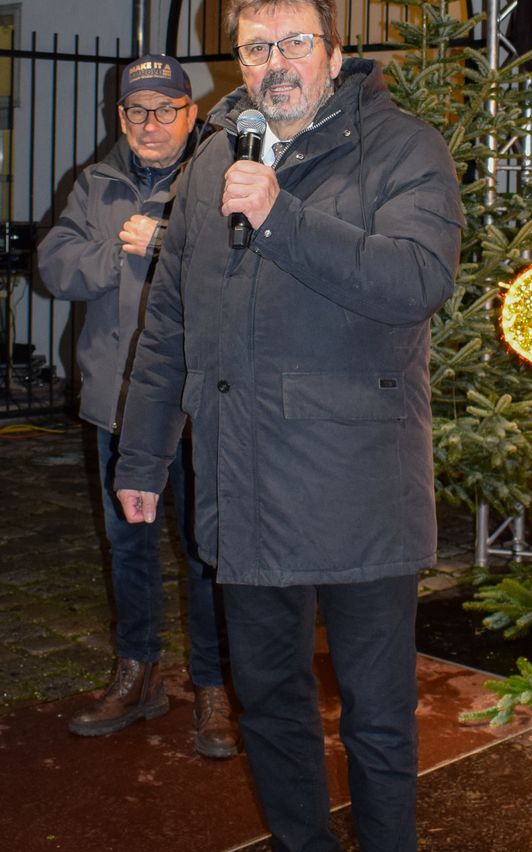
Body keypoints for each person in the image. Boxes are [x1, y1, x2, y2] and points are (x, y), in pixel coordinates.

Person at [112, 0, 463, 848]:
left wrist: (280, 216)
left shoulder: (404, 149)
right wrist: (143, 458)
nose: (277, 63)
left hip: (361, 487)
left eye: (295, 44)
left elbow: (418, 279)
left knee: (377, 719)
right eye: (257, 47)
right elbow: (168, 322)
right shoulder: (211, 163)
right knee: (269, 704)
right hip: (247, 480)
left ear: (334, 57)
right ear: (239, 61)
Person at [38, 54, 239, 760]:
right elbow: (55, 267)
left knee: (205, 550)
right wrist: (118, 255)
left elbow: (246, 271)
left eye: (166, 110)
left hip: (196, 401)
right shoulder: (94, 184)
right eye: (137, 112)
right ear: (120, 118)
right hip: (118, 402)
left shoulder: (220, 178)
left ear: (190, 114)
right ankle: (139, 670)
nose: (151, 125)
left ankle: (215, 687)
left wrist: (166, 248)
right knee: (129, 549)